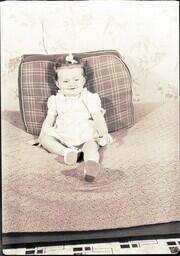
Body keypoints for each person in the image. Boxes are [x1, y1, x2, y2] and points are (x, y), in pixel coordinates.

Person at [38, 54, 112, 181]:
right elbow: (49, 119)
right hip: (63, 135)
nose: (71, 84)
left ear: (83, 81)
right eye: (66, 81)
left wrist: (104, 132)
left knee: (91, 146)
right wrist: (41, 135)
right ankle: (67, 153)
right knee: (46, 140)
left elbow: (97, 116)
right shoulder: (55, 100)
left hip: (85, 134)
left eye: (76, 80)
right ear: (57, 83)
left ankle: (92, 164)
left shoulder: (88, 97)